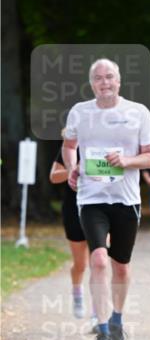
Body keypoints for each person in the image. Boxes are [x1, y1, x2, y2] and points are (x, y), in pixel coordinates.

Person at [62, 58, 150, 340]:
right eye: (99, 78)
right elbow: (68, 146)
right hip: (91, 198)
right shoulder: (80, 112)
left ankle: (116, 319)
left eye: (110, 77)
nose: (105, 82)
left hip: (127, 199)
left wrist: (126, 161)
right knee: (99, 260)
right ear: (92, 84)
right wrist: (73, 167)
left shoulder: (138, 112)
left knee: (120, 266)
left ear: (119, 81)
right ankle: (102, 332)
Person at [49, 132, 93, 323]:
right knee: (80, 264)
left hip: (99, 208)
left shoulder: (102, 149)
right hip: (74, 209)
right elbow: (53, 177)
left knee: (99, 261)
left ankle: (98, 314)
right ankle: (77, 293)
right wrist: (74, 170)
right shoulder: (68, 151)